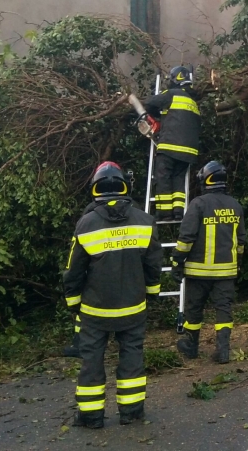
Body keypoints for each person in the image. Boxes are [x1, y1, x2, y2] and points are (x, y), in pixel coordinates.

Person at [63, 161, 163, 428]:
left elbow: (73, 270)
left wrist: (73, 302)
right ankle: (132, 412)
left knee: (92, 361)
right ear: (125, 187)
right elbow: (154, 265)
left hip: (95, 311)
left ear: (95, 189)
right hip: (133, 307)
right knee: (132, 357)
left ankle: (91, 416)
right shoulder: (144, 221)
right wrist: (151, 293)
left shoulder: (86, 224)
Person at [170, 161, 246, 363]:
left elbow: (186, 239)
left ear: (205, 181)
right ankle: (223, 350)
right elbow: (241, 241)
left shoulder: (198, 204)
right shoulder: (235, 205)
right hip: (226, 272)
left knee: (194, 309)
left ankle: (191, 346)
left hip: (198, 272)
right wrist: (237, 263)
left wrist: (177, 262)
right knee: (223, 309)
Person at [142, 65, 201, 221]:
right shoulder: (193, 102)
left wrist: (158, 117)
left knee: (163, 176)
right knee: (178, 178)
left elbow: (150, 103)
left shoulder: (172, 94)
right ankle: (178, 211)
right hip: (189, 151)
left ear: (175, 79)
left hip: (170, 145)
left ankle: (165, 213)